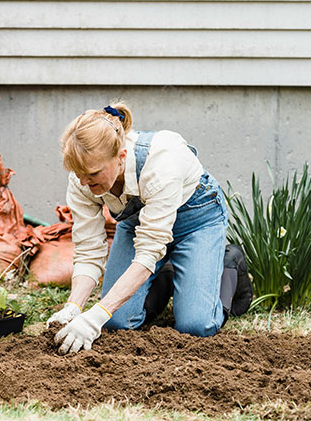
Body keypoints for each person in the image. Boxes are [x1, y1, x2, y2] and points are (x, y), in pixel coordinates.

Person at [46, 102, 248, 354]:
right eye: (78, 174)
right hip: (140, 226)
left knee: (196, 325)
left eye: (93, 173)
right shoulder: (82, 177)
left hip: (197, 221)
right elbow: (89, 250)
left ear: (120, 157)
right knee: (117, 322)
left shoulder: (161, 163)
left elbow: (147, 254)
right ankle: (167, 273)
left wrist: (95, 315)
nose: (84, 182)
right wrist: (74, 307)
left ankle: (229, 263)